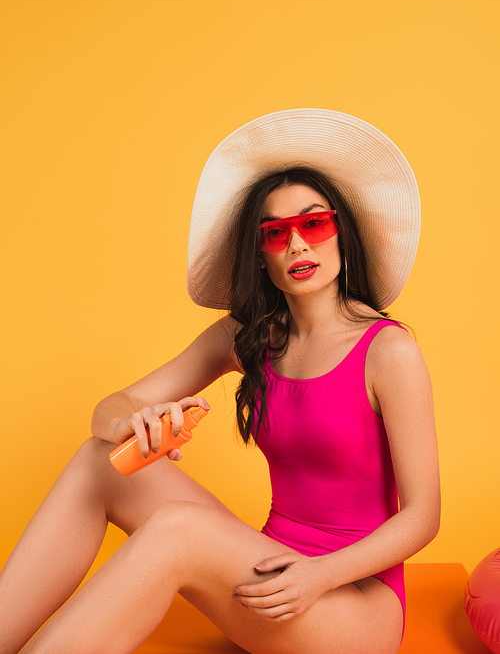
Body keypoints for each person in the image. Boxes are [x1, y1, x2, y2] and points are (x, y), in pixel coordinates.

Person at [0, 109, 440, 654]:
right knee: (102, 459)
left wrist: (319, 576)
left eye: (313, 223)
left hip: (352, 604)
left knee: (179, 530)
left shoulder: (389, 350)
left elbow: (423, 516)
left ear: (341, 232)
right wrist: (127, 420)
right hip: (268, 572)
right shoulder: (249, 337)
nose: (298, 245)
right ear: (260, 257)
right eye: (276, 234)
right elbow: (111, 407)